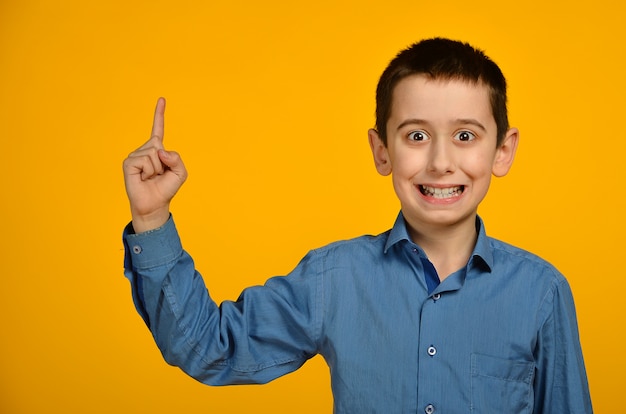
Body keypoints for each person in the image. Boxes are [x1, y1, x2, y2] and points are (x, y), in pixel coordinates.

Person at [122, 38, 592, 413]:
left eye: (465, 136)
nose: (441, 161)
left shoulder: (541, 292)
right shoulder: (334, 278)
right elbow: (210, 346)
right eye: (416, 135)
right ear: (381, 151)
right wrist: (151, 218)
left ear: (502, 150)